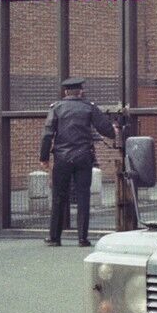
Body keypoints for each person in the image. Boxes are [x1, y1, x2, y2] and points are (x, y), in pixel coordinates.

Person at [39, 77, 118, 247]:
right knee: (83, 196)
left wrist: (44, 158)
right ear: (81, 91)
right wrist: (114, 132)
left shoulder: (56, 108)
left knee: (59, 197)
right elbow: (106, 129)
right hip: (83, 157)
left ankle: (54, 237)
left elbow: (47, 135)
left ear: (66, 92)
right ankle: (83, 238)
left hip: (61, 158)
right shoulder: (89, 107)